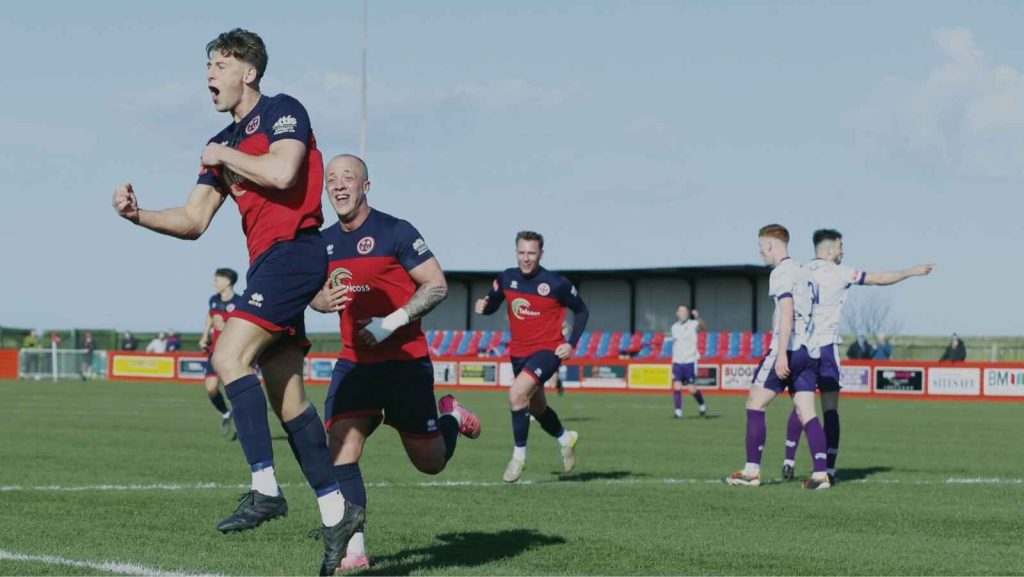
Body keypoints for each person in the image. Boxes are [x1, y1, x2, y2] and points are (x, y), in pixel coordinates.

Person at [110, 28, 362, 573]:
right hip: (269, 264)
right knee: (288, 399)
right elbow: (193, 220)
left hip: (293, 255)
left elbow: (283, 170)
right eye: (209, 67)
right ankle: (337, 513)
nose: (210, 76)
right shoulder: (221, 142)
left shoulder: (283, 111)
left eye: (220, 65)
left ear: (248, 71)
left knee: (228, 357)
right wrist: (139, 215)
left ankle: (266, 489)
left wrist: (223, 151)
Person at [311, 154, 481, 571]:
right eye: (331, 179)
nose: (338, 185)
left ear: (366, 186)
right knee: (341, 453)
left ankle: (451, 415)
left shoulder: (396, 231)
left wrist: (391, 323)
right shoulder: (323, 241)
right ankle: (355, 550)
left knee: (431, 464)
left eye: (347, 177)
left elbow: (437, 286)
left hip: (406, 363)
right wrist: (319, 300)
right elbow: (310, 292)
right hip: (354, 364)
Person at [781, 228, 933, 483]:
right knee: (830, 409)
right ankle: (828, 468)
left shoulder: (798, 271)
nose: (843, 251)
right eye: (841, 246)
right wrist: (911, 271)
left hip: (802, 346)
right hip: (826, 347)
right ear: (829, 250)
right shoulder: (841, 273)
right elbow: (880, 278)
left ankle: (788, 459)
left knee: (801, 407)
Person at [475, 231, 590, 483]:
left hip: (548, 350)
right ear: (516, 252)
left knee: (516, 395)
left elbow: (581, 311)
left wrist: (570, 345)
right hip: (517, 352)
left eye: (532, 253)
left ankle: (518, 458)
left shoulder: (556, 283)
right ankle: (565, 438)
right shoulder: (507, 277)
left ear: (541, 254)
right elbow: (493, 302)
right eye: (522, 253)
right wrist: (485, 308)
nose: (526, 259)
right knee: (538, 408)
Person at [725, 224, 830, 490]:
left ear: (771, 245)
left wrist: (781, 352)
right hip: (810, 350)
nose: (762, 254)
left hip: (790, 347)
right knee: (807, 412)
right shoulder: (805, 272)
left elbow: (786, 311)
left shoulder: (781, 273)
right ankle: (821, 475)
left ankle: (751, 471)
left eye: (762, 249)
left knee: (755, 403)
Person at [199, 268, 245, 439]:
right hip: (214, 351)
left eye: (217, 280)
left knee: (235, 391)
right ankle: (226, 414)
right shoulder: (213, 300)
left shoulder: (240, 302)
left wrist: (225, 327)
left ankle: (243, 427)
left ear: (228, 282)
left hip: (232, 353)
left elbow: (242, 328)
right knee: (211, 388)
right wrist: (205, 336)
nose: (214, 283)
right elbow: (210, 316)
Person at [667, 306, 707, 419]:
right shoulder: (674, 327)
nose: (683, 313)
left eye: (685, 311)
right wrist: (673, 361)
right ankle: (678, 412)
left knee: (691, 388)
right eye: (681, 311)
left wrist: (698, 317)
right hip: (678, 361)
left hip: (690, 360)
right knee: (677, 386)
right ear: (677, 313)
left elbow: (703, 328)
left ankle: (702, 405)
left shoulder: (693, 324)